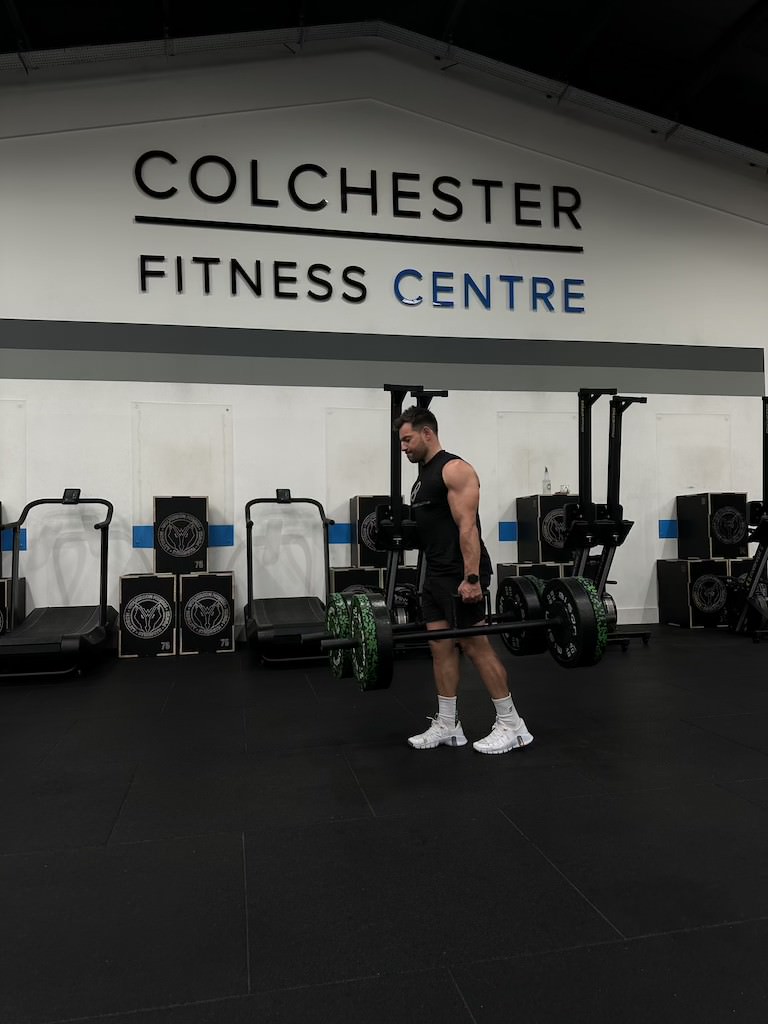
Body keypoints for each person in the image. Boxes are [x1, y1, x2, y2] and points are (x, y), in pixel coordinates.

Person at [394, 406, 533, 754]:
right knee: (440, 647)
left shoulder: (454, 469)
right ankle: (447, 724)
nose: (404, 447)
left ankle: (512, 724)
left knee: (475, 645)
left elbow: (467, 526)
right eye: (401, 441)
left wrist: (472, 578)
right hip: (435, 571)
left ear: (428, 433)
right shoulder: (422, 477)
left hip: (460, 572)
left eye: (407, 439)